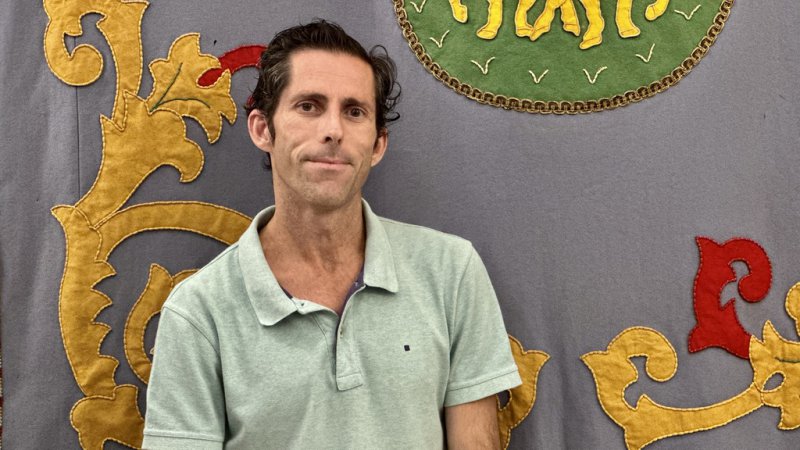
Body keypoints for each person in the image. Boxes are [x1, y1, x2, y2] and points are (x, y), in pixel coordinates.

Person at [142, 20, 521, 449]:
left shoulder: (451, 272)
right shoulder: (198, 314)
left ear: (377, 144)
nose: (334, 130)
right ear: (262, 129)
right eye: (309, 106)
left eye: (354, 111)